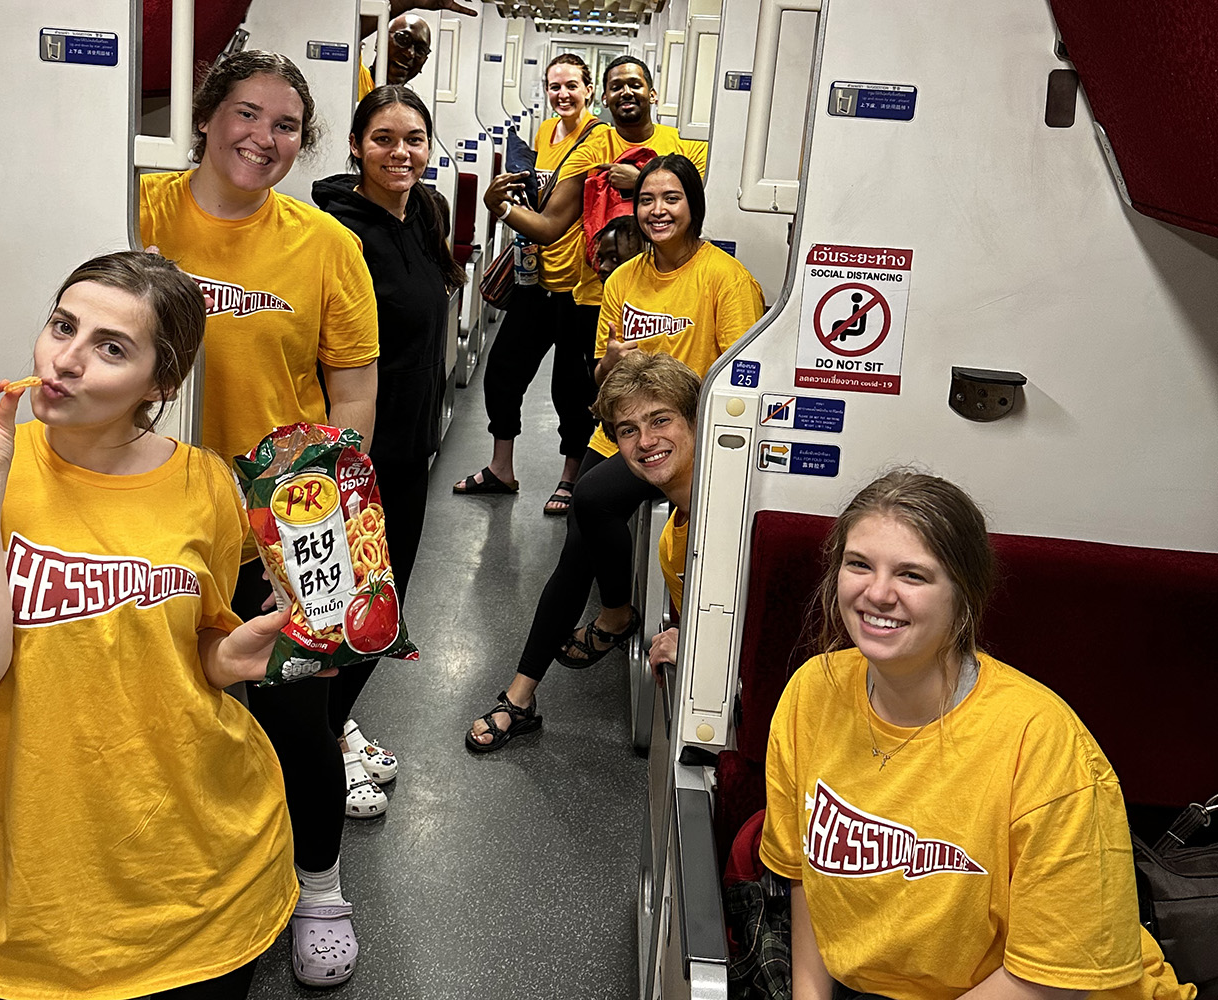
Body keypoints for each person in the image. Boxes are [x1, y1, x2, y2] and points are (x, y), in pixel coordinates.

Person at [0, 252, 296, 1000]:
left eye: (112, 348)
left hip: (209, 871)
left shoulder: (205, 483)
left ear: (161, 384)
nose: (66, 361)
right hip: (54, 899)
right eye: (62, 326)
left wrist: (227, 658)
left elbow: (189, 649)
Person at [761, 469, 1196, 1000]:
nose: (877, 593)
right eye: (859, 565)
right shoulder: (812, 693)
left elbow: (1052, 981)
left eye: (912, 575)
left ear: (963, 595)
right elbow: (805, 879)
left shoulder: (1042, 742)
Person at [140, 51, 380, 989]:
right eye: (245, 114)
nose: (263, 139)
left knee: (297, 716)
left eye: (285, 125)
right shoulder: (141, 210)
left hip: (281, 521)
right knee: (164, 709)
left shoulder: (324, 245)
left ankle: (318, 888)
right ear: (205, 118)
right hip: (155, 515)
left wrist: (326, 496)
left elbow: (353, 388)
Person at [466, 154, 762, 751]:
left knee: (592, 499)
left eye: (671, 198)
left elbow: (742, 386)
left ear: (694, 207)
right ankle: (524, 693)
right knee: (577, 542)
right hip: (622, 431)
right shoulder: (623, 279)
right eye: (647, 200)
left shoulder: (726, 279)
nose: (657, 210)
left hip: (679, 438)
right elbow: (601, 376)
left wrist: (664, 377)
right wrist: (613, 365)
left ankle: (612, 615)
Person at [312, 85, 467, 811]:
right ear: (354, 146)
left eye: (414, 139)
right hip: (359, 459)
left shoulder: (426, 212)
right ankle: (318, 748)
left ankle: (331, 726)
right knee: (348, 614)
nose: (400, 153)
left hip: (411, 450)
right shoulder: (337, 233)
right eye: (383, 139)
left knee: (381, 605)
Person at [453, 53, 608, 515]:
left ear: (589, 90)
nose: (562, 95)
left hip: (580, 288)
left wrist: (498, 206)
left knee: (571, 389)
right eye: (553, 86)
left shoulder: (595, 142)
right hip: (536, 280)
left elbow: (551, 224)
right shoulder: (546, 132)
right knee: (503, 371)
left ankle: (570, 477)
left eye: (571, 86)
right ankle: (502, 469)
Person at [479, 55, 707, 320]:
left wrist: (641, 181)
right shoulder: (592, 150)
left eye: (635, 84)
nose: (626, 92)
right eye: (616, 87)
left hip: (668, 294)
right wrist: (501, 207)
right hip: (597, 297)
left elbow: (700, 209)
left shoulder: (688, 146)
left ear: (653, 94)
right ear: (605, 100)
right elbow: (550, 225)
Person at [592, 353, 699, 675]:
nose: (646, 441)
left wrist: (697, 649)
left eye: (660, 420)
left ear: (697, 420)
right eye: (628, 430)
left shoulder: (737, 521)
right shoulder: (671, 539)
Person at [357, 0, 477, 96]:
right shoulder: (355, 78)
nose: (410, 53)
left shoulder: (406, 108)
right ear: (379, 41)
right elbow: (348, 35)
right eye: (403, 39)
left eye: (420, 50)